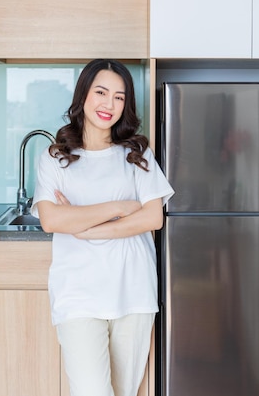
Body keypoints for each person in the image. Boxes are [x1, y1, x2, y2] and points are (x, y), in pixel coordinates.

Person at [31, 59, 174, 396]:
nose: (109, 104)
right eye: (101, 92)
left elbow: (153, 217)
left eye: (120, 97)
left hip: (133, 292)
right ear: (83, 95)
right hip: (78, 295)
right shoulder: (55, 157)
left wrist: (85, 227)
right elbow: (52, 220)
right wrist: (119, 208)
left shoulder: (137, 153)